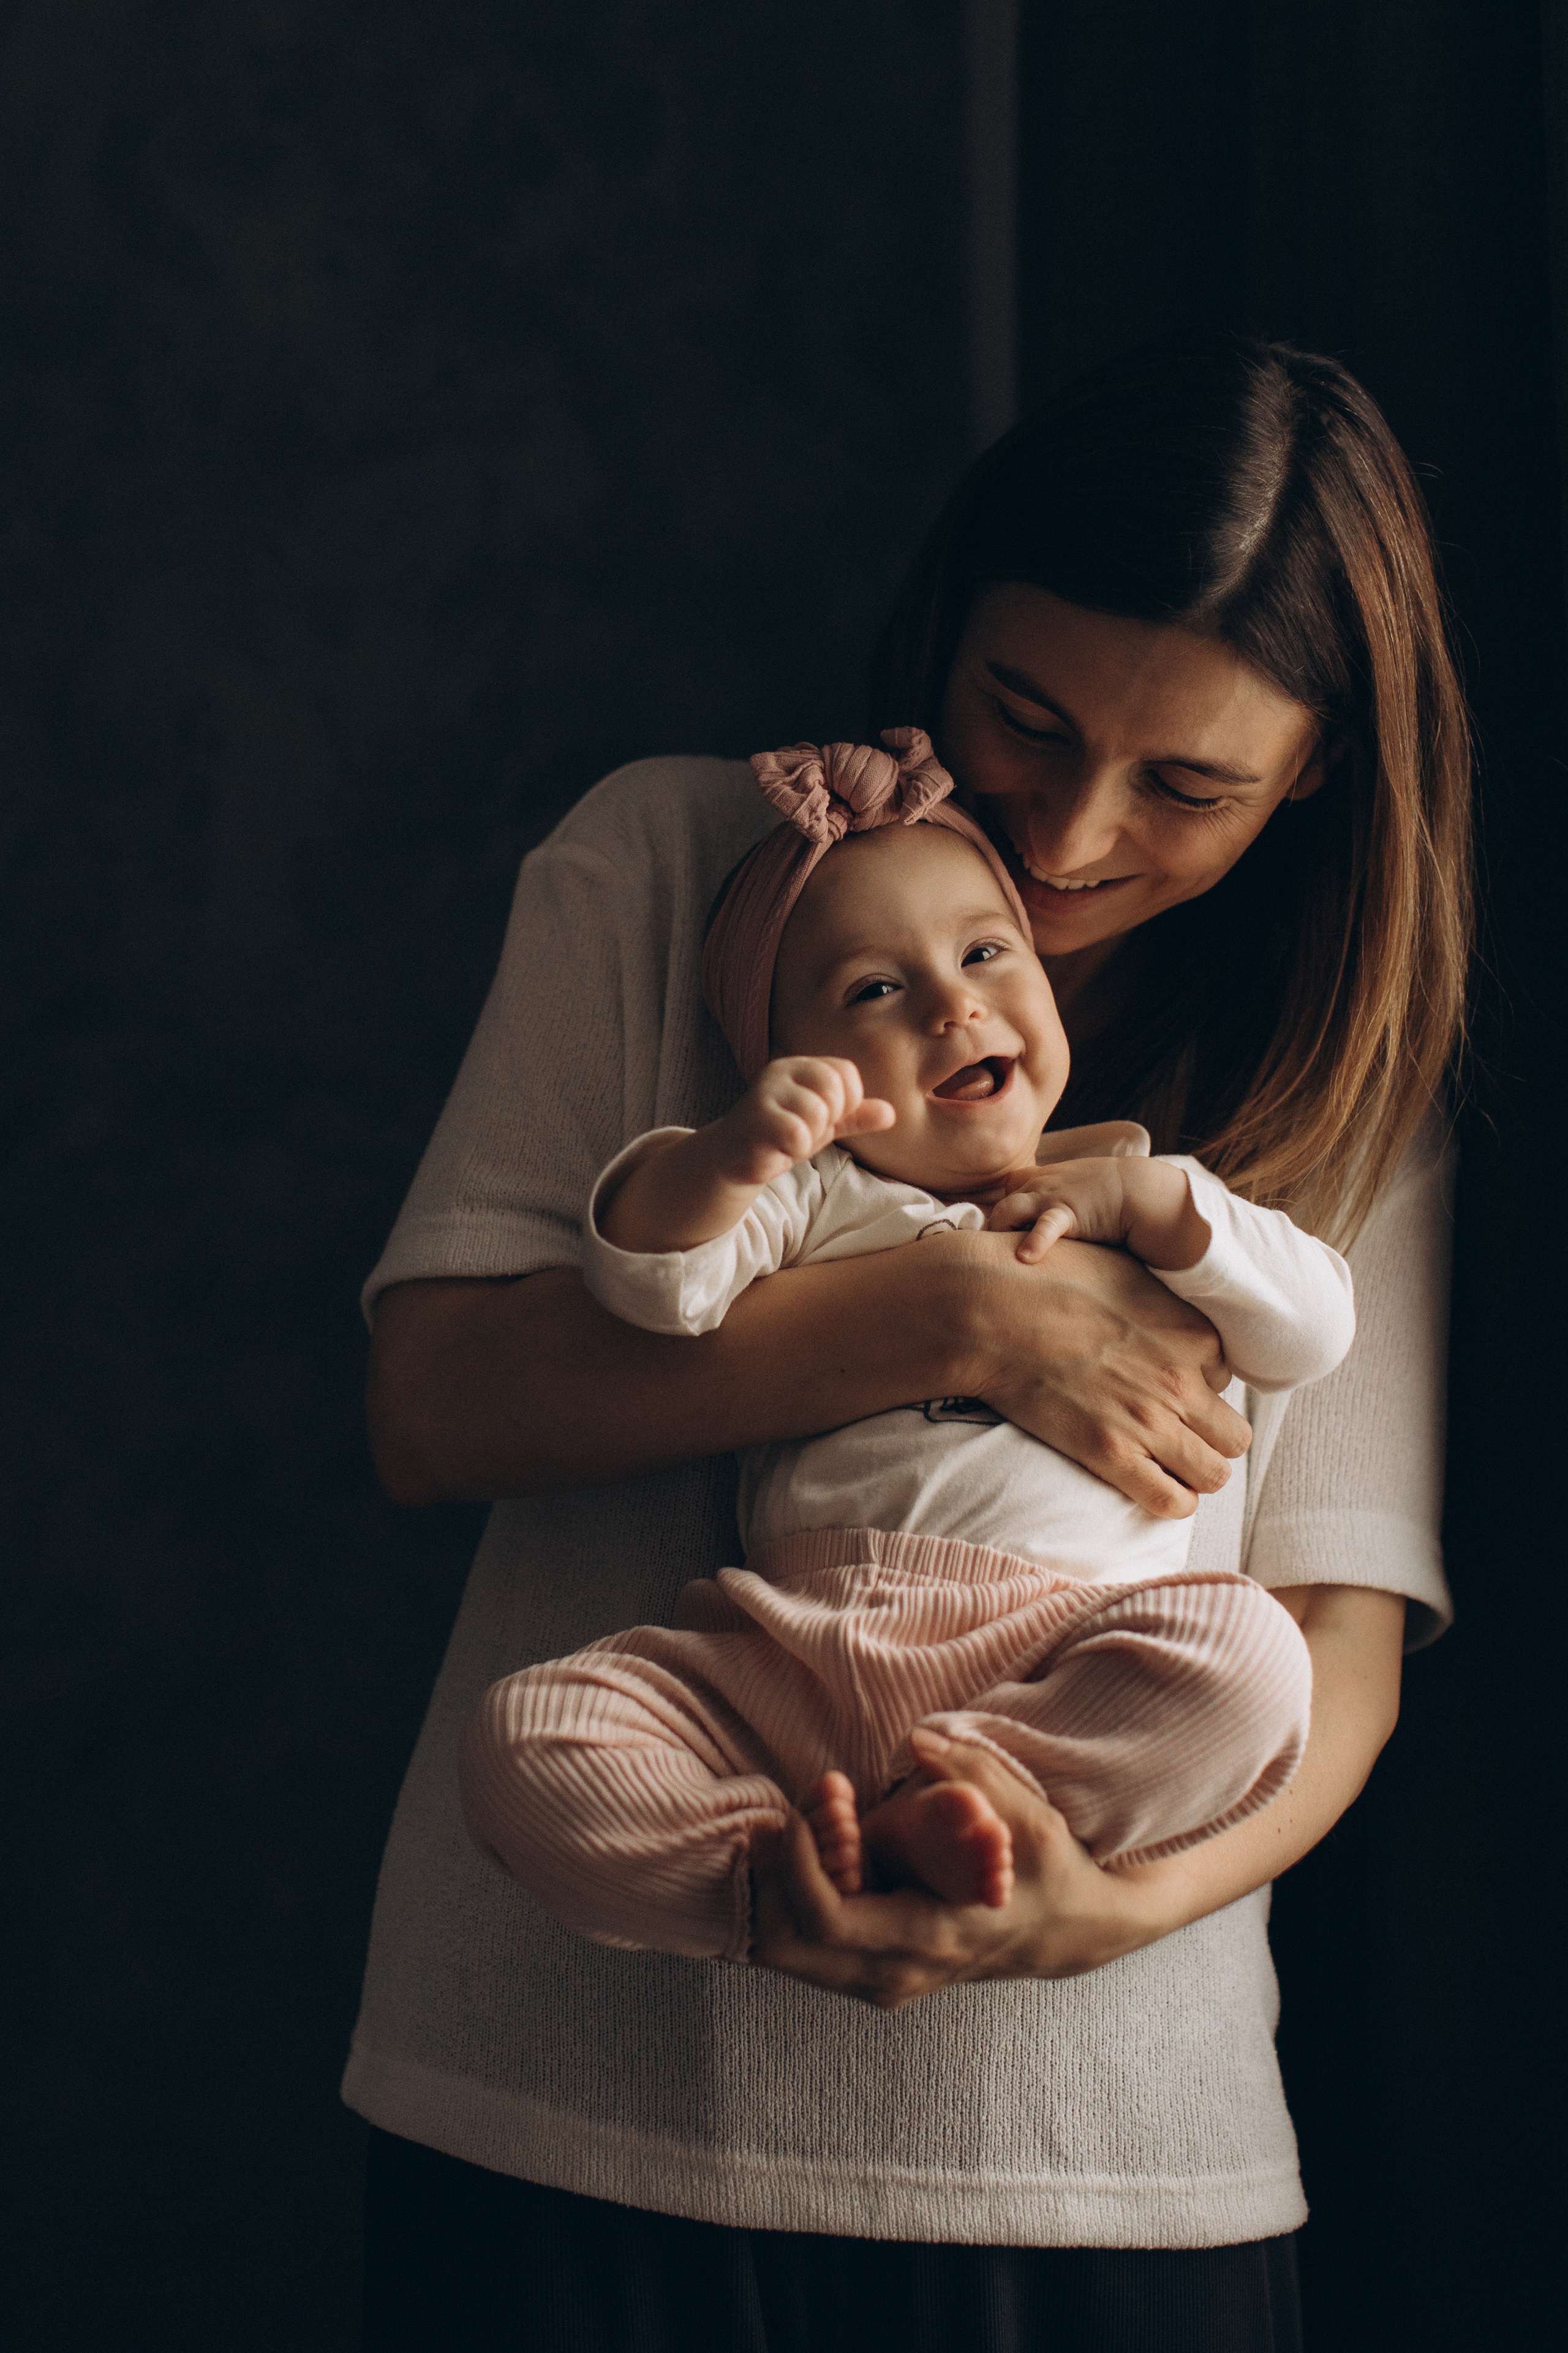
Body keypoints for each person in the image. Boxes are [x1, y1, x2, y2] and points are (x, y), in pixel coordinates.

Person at [352, 333, 1470, 2352]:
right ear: (945, 622)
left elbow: (1339, 1653)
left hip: (1104, 2143)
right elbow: (437, 1404)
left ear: (1315, 776)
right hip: (564, 2095)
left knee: (1228, 1668)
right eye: (1021, 718)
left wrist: (1093, 1912)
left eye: (1190, 784)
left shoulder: (1341, 1073)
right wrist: (963, 1308)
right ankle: (741, 1856)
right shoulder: (690, 864)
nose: (1064, 838)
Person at [458, 730, 1353, 1955]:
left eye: (986, 953)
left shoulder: (1128, 1190)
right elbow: (656, 1287)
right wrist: (727, 1153)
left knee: (1250, 1662)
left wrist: (1162, 1203)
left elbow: (1312, 1328)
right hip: (789, 1654)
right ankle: (763, 1875)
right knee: (525, 1740)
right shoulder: (816, 1196)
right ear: (795, 1069)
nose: (951, 1001)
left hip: (1058, 1642)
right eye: (874, 990)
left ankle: (976, 1794)